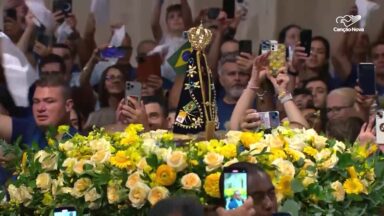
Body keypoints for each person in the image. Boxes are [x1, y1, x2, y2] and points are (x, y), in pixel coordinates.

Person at [84, 65, 126, 129]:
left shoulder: (132, 114)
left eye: (120, 78)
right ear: (104, 84)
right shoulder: (96, 117)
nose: (116, 80)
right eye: (111, 77)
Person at [217, 53, 251, 130]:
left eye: (242, 74)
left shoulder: (258, 105)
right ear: (221, 80)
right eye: (231, 74)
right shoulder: (211, 110)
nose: (237, 78)